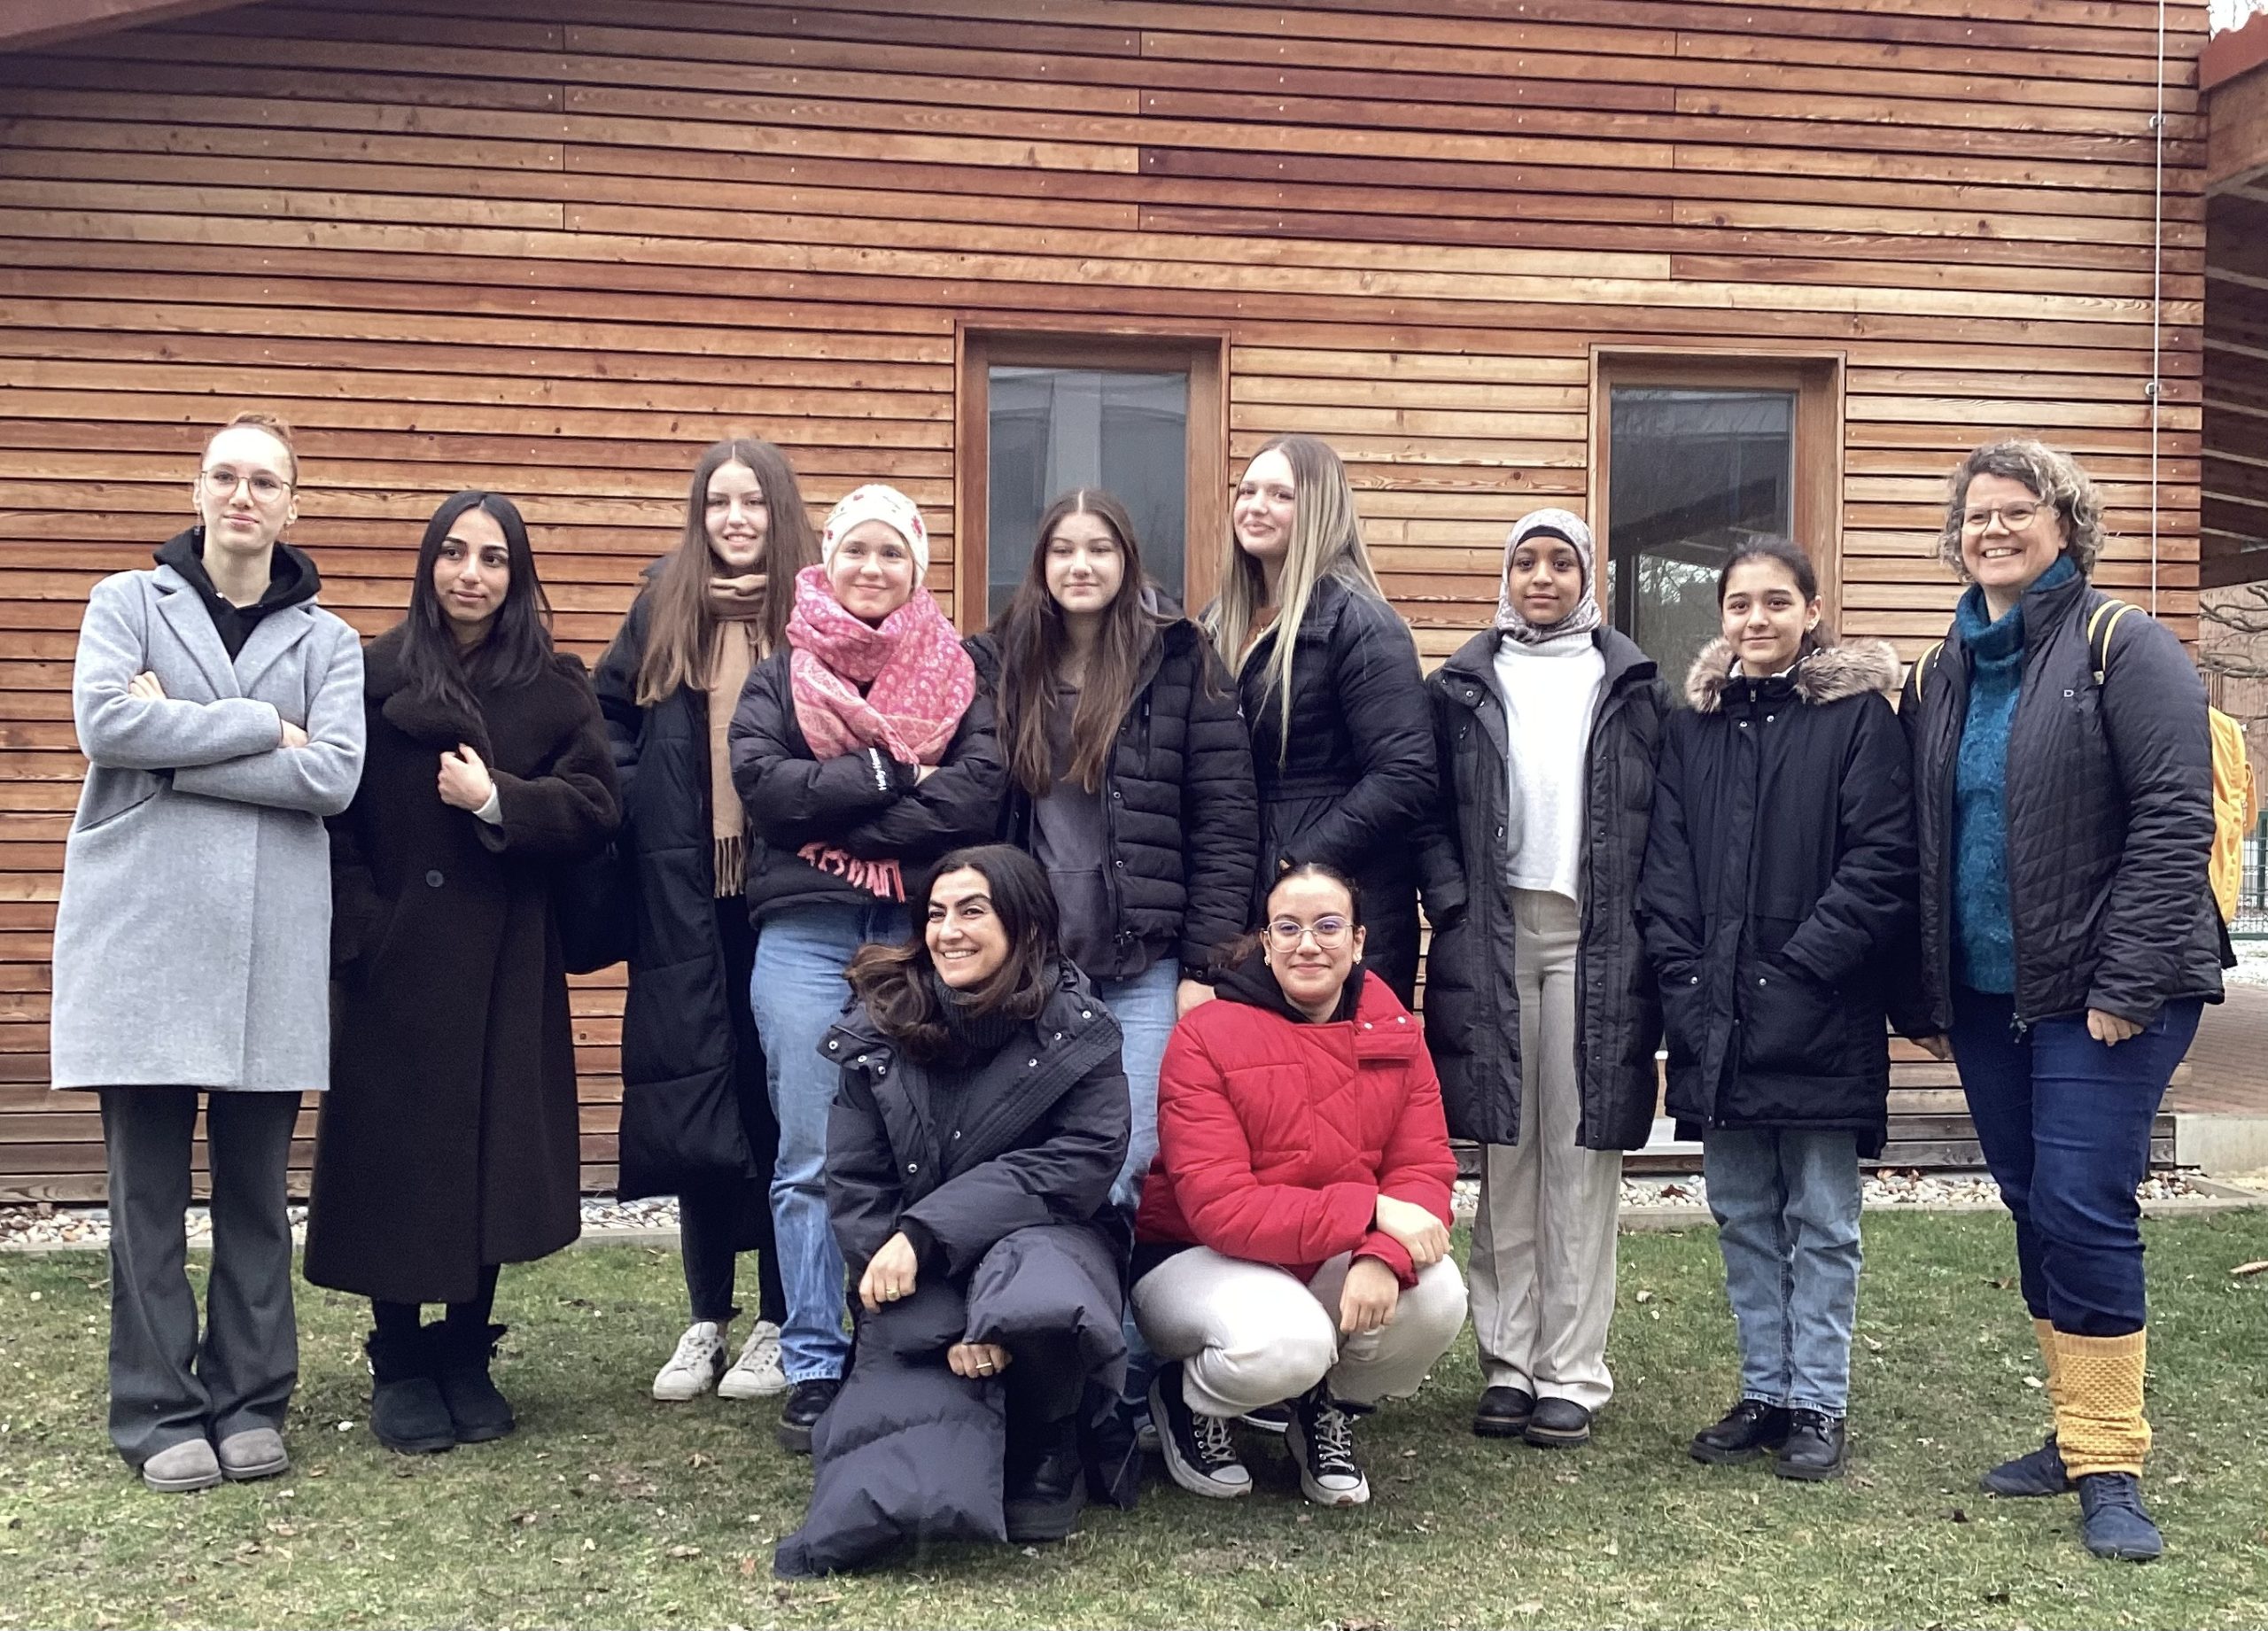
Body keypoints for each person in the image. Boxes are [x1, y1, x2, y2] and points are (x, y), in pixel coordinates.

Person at [1899, 439, 2225, 1561]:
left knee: (2084, 1203)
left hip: (2108, 989)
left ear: (2065, 524)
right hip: (1992, 992)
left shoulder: (2123, 644)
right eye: (1974, 514)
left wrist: (2127, 980)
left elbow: (2175, 817)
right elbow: (1925, 839)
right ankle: (2075, 1425)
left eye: (2015, 509)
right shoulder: (1941, 670)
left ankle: (2109, 1458)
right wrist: (1925, 987)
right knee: (2033, 1201)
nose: (1990, 528)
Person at [50, 411, 366, 1493]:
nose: (242, 495)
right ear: (197, 491)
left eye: (264, 480)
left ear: (292, 504)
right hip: (142, 934)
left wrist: (176, 741)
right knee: (144, 1193)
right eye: (224, 475)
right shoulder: (124, 603)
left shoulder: (329, 641)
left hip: (267, 943)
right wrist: (261, 726)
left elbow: (332, 777)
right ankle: (156, 1407)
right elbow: (106, 727)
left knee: (255, 1190)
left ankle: (250, 1397)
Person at [305, 491, 619, 1454]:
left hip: (505, 961)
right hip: (395, 961)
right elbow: (332, 817)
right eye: (453, 553)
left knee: (491, 1152)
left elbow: (597, 806)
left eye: (492, 557)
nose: (470, 574)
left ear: (516, 575)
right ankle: (400, 1354)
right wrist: (364, 930)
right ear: (428, 563)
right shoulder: (370, 674)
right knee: (398, 1155)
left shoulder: (554, 687)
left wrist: (498, 801)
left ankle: (466, 1347)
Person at [728, 483, 1006, 1452]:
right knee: (811, 1151)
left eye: (892, 552)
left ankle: (898, 1348)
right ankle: (814, 1358)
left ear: (917, 568)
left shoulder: (961, 671)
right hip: (805, 931)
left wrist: (841, 812)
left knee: (925, 1145)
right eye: (856, 549)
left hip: (921, 927)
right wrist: (889, 775)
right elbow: (766, 789)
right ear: (828, 559)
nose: (872, 568)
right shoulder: (781, 674)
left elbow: (976, 794)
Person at [773, 847, 1131, 1577]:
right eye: (936, 913)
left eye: (972, 911)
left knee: (1039, 1286)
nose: (948, 931)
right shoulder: (878, 1024)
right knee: (904, 1489)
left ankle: (1050, 1436)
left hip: (1043, 1251)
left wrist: (930, 1237)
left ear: (1025, 926)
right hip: (916, 1284)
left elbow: (1076, 1167)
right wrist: (946, 1321)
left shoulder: (1080, 1028)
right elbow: (858, 1186)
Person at [1637, 538, 1915, 1482]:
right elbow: (1666, 868)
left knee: (1823, 1218)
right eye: (1739, 604)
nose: (1756, 619)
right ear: (1722, 616)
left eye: (1776, 602)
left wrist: (1800, 967)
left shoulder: (1857, 720)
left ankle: (1818, 1401)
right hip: (1715, 1017)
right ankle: (1765, 1390)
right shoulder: (1695, 729)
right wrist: (1684, 975)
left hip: (1821, 1011)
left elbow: (1881, 861)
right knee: (1744, 1211)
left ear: (1811, 610)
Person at [1418, 509, 1668, 1451]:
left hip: (1593, 939)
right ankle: (1509, 1363)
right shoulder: (1462, 685)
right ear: (1506, 575)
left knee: (1580, 1155)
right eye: (1526, 560)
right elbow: (1428, 811)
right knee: (1507, 1153)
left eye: (1562, 562)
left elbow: (1661, 816)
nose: (1543, 577)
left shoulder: (1630, 684)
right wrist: (1450, 903)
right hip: (1493, 934)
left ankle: (1571, 1370)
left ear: (1587, 577)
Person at [594, 439, 820, 1404]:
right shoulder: (663, 603)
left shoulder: (813, 607)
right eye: (719, 501)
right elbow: (606, 721)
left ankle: (778, 1315)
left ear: (779, 511)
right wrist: (644, 798)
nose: (735, 518)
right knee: (695, 1097)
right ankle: (705, 1316)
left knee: (777, 1105)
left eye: (752, 501)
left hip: (784, 894)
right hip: (683, 892)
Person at [1133, 864, 1466, 1508]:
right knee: (1286, 1345)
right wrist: (1369, 1211)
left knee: (1436, 1296)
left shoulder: (1396, 1030)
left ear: (1359, 941)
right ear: (1266, 943)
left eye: (1328, 926)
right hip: (1196, 1256)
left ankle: (1324, 1406)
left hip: (1324, 1252)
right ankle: (1188, 1397)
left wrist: (1382, 1254)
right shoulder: (1206, 1034)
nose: (1307, 944)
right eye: (1287, 928)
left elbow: (1423, 1169)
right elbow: (1221, 1208)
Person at [973, 488, 1258, 1209]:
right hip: (1033, 960)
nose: (1081, 565)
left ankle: (1116, 1289)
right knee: (1031, 1149)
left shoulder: (1181, 659)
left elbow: (1225, 820)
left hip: (1143, 959)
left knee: (1131, 1156)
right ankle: (1046, 1282)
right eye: (1063, 550)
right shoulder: (999, 663)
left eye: (1099, 549)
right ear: (1040, 564)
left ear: (1127, 561)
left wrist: (1203, 964)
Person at [1202, 435, 1435, 1004]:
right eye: (1247, 491)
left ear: (1320, 509)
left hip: (1341, 907)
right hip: (1243, 899)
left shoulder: (1361, 625)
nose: (1256, 506)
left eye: (1280, 495)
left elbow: (1405, 774)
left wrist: (1294, 863)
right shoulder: (1217, 625)